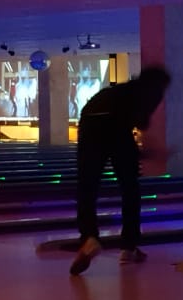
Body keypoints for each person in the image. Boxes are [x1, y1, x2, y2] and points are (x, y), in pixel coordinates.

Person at [69, 66, 172, 276]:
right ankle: (128, 247)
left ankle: (89, 238)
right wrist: (152, 152)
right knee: (129, 187)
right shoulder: (152, 93)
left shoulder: (123, 90)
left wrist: (138, 151)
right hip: (115, 124)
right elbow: (142, 125)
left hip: (90, 119)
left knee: (87, 186)